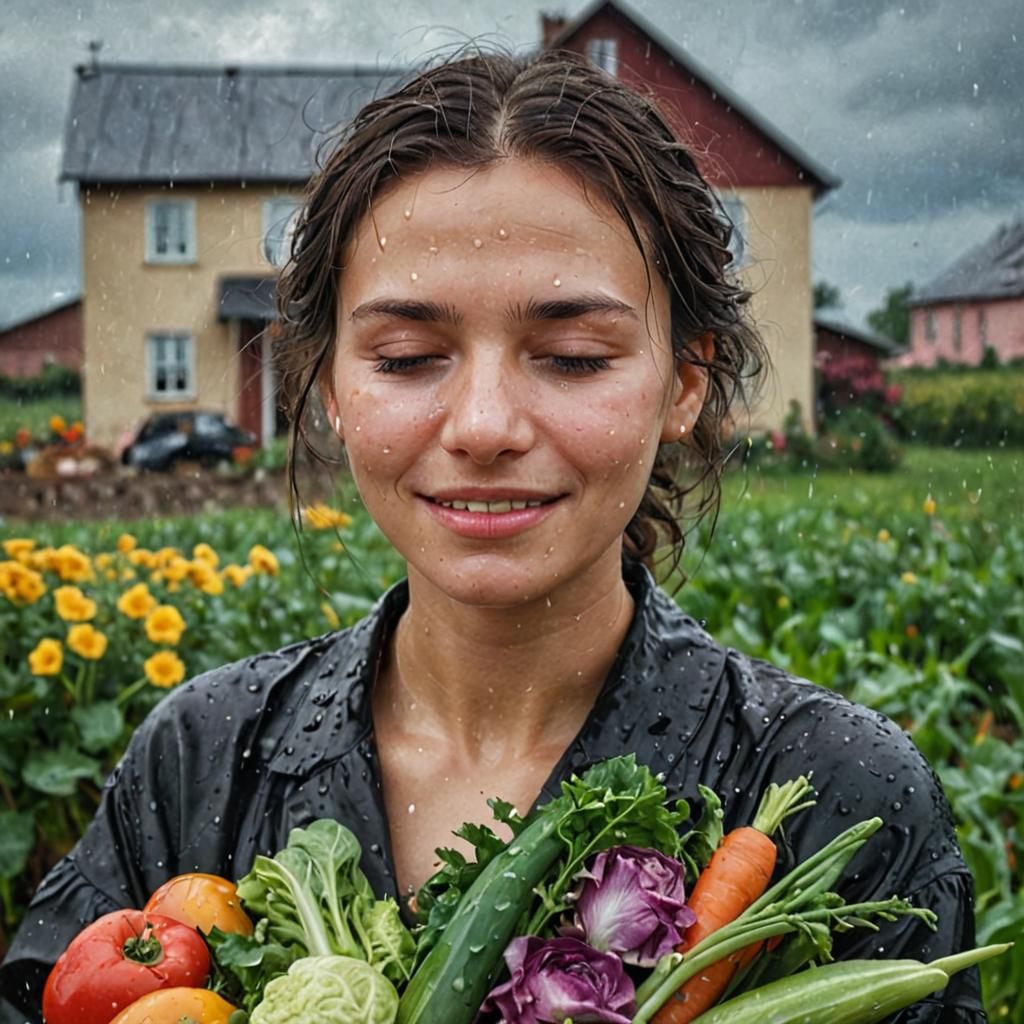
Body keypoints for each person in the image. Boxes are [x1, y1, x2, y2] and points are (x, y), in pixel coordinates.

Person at [0, 50, 983, 1022]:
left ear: (684, 381)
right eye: (408, 356)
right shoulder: (201, 760)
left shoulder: (840, 799)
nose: (482, 425)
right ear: (333, 386)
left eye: (569, 355)